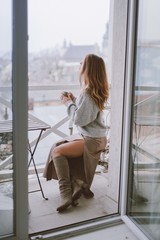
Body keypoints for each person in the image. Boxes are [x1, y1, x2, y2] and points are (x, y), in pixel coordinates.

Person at [43, 54, 109, 212]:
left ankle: (66, 193)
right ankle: (78, 184)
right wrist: (74, 100)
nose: (79, 66)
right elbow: (85, 112)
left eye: (82, 64)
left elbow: (79, 120)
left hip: (91, 139)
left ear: (88, 69)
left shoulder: (88, 92)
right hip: (96, 137)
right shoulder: (95, 90)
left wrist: (68, 103)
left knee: (57, 151)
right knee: (57, 145)